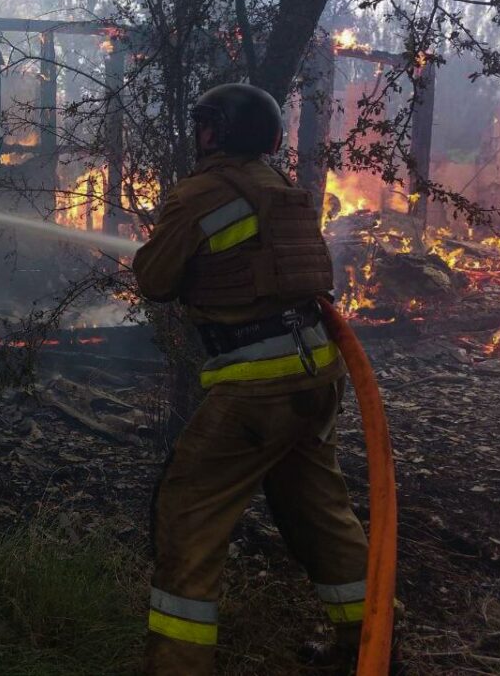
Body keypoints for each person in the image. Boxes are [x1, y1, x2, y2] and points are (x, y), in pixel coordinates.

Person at [132, 83, 369, 675]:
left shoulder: (202, 193)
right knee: (323, 516)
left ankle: (177, 667)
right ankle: (371, 647)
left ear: (214, 131)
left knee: (188, 514)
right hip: (316, 379)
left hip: (255, 390)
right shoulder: (281, 189)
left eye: (203, 126)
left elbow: (155, 281)